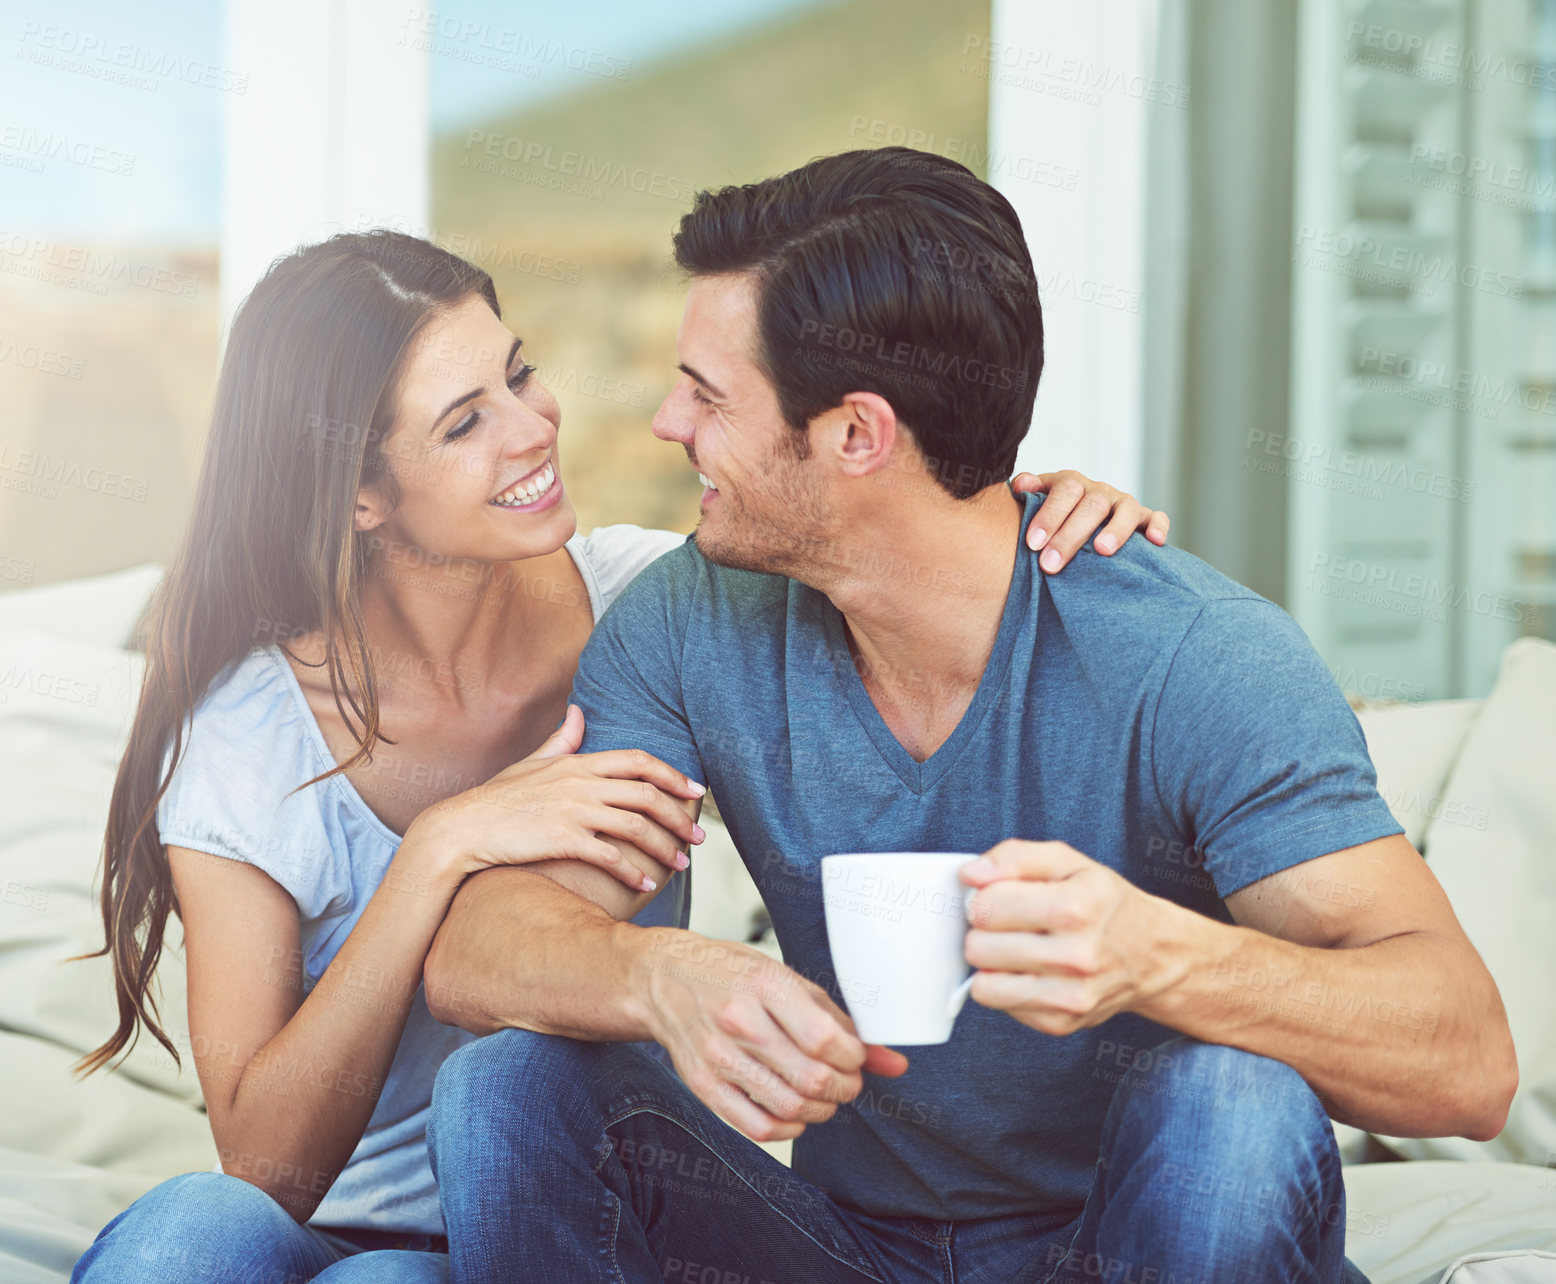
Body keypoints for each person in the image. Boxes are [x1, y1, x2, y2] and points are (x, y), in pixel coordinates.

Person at [420, 148, 1519, 1284]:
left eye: (706, 393)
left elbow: (1465, 1060)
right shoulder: (695, 616)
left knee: (1230, 1102)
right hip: (844, 1249)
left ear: (856, 434)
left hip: (1129, 1246)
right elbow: (478, 952)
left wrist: (1159, 958)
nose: (662, 422)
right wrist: (657, 978)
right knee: (506, 1087)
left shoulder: (1190, 653)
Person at [66, 228, 1165, 1283]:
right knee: (188, 1228)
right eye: (462, 423)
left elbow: (899, 570)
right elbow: (266, 1169)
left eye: (518, 374)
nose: (532, 427)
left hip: (576, 1206)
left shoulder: (649, 610)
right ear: (359, 494)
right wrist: (440, 849)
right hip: (325, 1221)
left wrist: (1025, 520)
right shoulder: (251, 732)